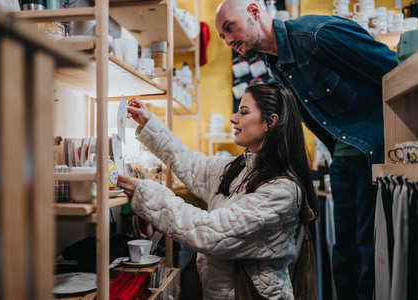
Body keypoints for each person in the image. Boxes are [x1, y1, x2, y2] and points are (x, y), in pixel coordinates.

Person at [215, 1, 398, 299]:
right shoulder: (277, 66)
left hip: (374, 155)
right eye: (222, 36)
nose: (228, 40)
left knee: (370, 255)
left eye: (229, 28)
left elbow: (395, 71)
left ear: (253, 10)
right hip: (343, 159)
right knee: (345, 255)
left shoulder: (316, 36)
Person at [117, 82, 317, 299]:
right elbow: (192, 165)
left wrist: (147, 193)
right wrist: (149, 124)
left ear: (270, 122)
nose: (233, 118)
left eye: (244, 112)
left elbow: (211, 233)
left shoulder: (282, 191)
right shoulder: (240, 168)